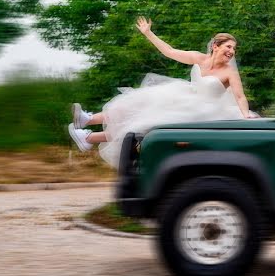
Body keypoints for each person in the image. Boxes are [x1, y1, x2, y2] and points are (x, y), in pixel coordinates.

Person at [68, 16, 255, 168]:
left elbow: (239, 96)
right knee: (137, 103)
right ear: (215, 46)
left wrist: (245, 114)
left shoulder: (229, 72)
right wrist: (149, 33)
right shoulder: (199, 58)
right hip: (186, 96)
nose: (232, 51)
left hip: (203, 112)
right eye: (228, 46)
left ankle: (88, 137)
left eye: (234, 49)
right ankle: (88, 120)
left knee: (143, 123)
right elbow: (170, 51)